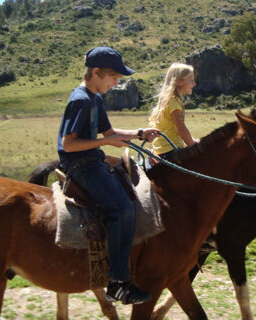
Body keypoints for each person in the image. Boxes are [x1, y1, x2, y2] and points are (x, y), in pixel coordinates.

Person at [57, 46, 160, 304]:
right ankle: (118, 282)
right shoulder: (80, 100)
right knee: (122, 209)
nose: (116, 83)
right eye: (113, 77)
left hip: (93, 161)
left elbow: (109, 132)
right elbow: (68, 144)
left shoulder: (95, 99)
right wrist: (106, 145)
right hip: (80, 166)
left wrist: (139, 133)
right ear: (95, 72)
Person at [149, 63, 198, 158]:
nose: (194, 84)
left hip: (164, 149)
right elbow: (182, 130)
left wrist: (194, 140)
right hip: (170, 150)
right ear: (179, 82)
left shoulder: (171, 100)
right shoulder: (174, 101)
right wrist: (194, 147)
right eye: (191, 80)